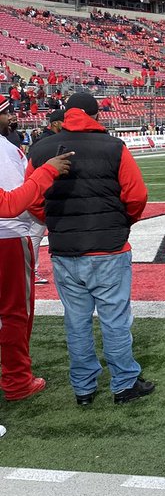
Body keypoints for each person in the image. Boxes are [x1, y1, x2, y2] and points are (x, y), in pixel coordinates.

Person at [26, 92, 154, 407]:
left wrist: (56, 223)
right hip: (108, 249)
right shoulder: (113, 147)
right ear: (95, 115)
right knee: (115, 319)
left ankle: (84, 388)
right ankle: (124, 384)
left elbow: (32, 199)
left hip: (66, 249)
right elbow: (136, 196)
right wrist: (121, 223)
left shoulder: (41, 149)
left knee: (77, 320)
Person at [0, 92, 72, 402]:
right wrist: (48, 171)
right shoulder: (6, 150)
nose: (11, 117)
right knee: (15, 314)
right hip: (7, 239)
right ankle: (17, 381)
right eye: (6, 112)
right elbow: (13, 204)